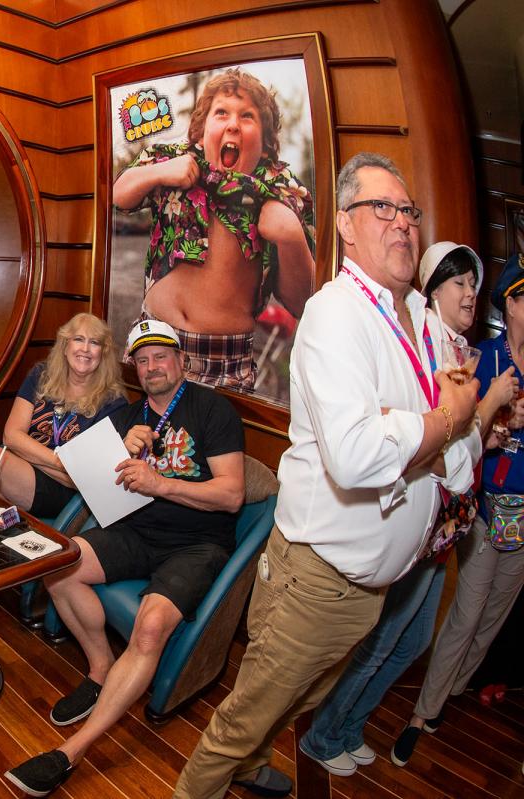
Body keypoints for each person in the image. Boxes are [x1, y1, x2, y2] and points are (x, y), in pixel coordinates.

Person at [173, 152, 481, 799]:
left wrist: (429, 428)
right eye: (383, 208)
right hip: (316, 579)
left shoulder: (423, 320)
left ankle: (250, 765)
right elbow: (359, 455)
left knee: (303, 698)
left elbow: (458, 457)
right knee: (243, 717)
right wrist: (443, 420)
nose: (402, 222)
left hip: (370, 586)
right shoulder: (336, 313)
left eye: (409, 210)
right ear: (344, 224)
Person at [297, 242, 519, 776]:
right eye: (458, 283)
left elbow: (458, 446)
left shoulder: (457, 350)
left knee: (411, 641)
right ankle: (323, 736)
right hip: (413, 519)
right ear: (431, 291)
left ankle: (348, 728)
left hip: (443, 525)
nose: (470, 294)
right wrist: (488, 405)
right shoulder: (426, 348)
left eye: (473, 284)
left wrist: (485, 433)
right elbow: (418, 438)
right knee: (383, 640)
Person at [4, 319, 245, 796]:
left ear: (181, 360)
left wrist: (160, 483)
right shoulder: (126, 417)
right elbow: (94, 483)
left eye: (161, 356)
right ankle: (101, 668)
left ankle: (71, 752)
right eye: (143, 359)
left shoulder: (212, 408)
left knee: (150, 628)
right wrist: (116, 456)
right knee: (60, 565)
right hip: (136, 531)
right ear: (135, 368)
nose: (152, 366)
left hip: (196, 544)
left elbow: (232, 494)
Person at [390, 255, 524, 767]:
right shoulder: (481, 359)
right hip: (485, 507)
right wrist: (500, 421)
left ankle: (456, 688)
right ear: (509, 304)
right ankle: (422, 713)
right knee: (467, 613)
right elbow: (454, 436)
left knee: (495, 615)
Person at [112, 68, 315, 393]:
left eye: (247, 116)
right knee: (138, 422)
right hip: (153, 341)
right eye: (221, 113)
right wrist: (159, 173)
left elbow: (303, 302)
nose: (233, 123)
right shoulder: (173, 159)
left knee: (216, 428)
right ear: (200, 133)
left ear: (265, 146)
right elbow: (119, 195)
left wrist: (292, 238)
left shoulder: (279, 189)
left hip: (224, 361)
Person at [0, 313, 129, 517]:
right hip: (22, 470)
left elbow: (86, 477)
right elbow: (11, 435)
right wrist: (60, 462)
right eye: (78, 339)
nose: (85, 349)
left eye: (94, 342)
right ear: (65, 345)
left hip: (63, 492)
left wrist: (27, 452)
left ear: (103, 353)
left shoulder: (114, 403)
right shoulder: (41, 375)